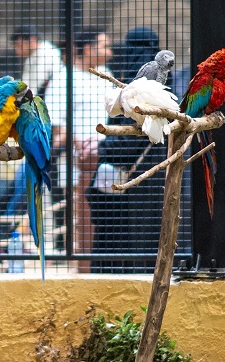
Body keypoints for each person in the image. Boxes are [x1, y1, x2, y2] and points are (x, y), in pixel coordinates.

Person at [86, 27, 167, 273]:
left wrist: (103, 146)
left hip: (132, 182)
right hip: (156, 173)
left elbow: (132, 139)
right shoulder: (164, 81)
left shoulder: (139, 83)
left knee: (122, 242)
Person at [44, 27, 114, 271]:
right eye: (104, 46)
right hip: (79, 161)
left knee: (106, 219)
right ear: (86, 49)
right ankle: (84, 269)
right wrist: (80, 144)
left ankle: (104, 266)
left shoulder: (106, 74)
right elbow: (58, 126)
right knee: (84, 218)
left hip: (110, 158)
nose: (110, 51)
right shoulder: (64, 78)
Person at [11, 24, 63, 97]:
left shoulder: (47, 53)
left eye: (19, 46)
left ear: (32, 40)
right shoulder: (32, 57)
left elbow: (35, 86)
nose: (17, 51)